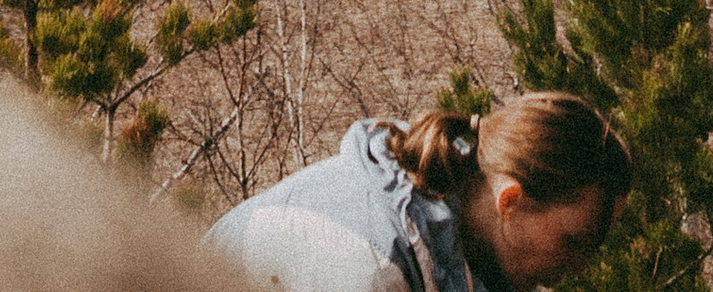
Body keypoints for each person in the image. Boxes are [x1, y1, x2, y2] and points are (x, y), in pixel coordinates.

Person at [208, 96, 633, 292]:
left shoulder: (466, 250)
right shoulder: (368, 267)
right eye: (575, 242)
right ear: (510, 202)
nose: (581, 269)